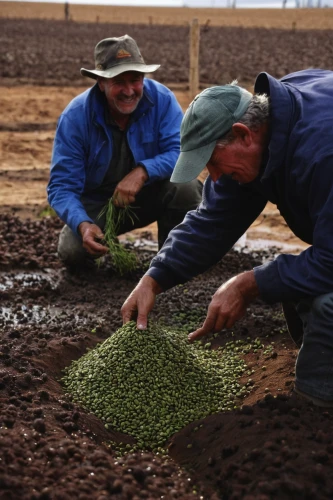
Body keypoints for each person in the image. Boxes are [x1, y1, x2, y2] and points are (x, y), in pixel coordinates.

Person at [122, 69, 333, 408]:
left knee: (326, 304)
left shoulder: (321, 151)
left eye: (213, 163)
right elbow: (213, 220)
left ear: (242, 134)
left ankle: (316, 414)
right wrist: (154, 278)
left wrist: (248, 283)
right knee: (299, 286)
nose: (215, 177)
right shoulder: (272, 124)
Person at [47, 35, 202, 268]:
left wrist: (143, 171)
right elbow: (61, 186)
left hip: (151, 194)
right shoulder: (76, 117)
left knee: (185, 187)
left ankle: (173, 263)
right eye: (119, 81)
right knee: (72, 252)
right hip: (101, 204)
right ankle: (102, 244)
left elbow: (183, 154)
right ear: (101, 82)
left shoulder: (162, 100)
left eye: (136, 79)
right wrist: (83, 224)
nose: (129, 91)